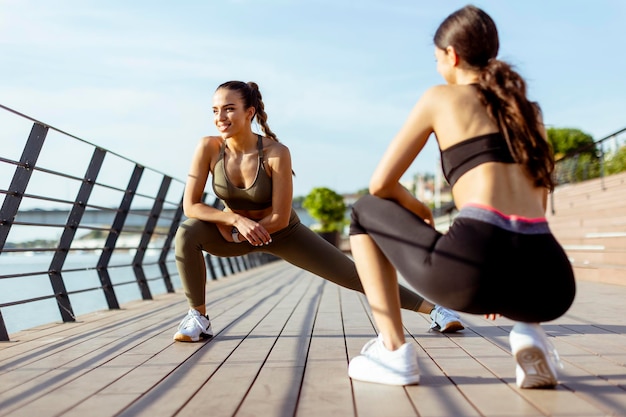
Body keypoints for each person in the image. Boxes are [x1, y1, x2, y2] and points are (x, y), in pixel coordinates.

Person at [347, 5, 576, 389]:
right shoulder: (529, 111)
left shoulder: (441, 98)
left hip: (472, 268)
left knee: (362, 211)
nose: (438, 68)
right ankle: (530, 333)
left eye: (437, 59)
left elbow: (380, 185)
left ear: (451, 55)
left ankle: (392, 351)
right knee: (516, 247)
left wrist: (419, 210)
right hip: (549, 282)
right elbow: (537, 201)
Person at [173, 80, 465, 343]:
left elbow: (279, 218)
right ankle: (198, 318)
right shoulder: (208, 148)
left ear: (249, 112)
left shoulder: (276, 153)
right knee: (187, 233)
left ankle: (436, 310)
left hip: (282, 233)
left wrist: (240, 232)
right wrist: (233, 220)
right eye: (214, 111)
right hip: (233, 231)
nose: (220, 118)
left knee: (354, 274)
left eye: (229, 109)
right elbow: (191, 205)